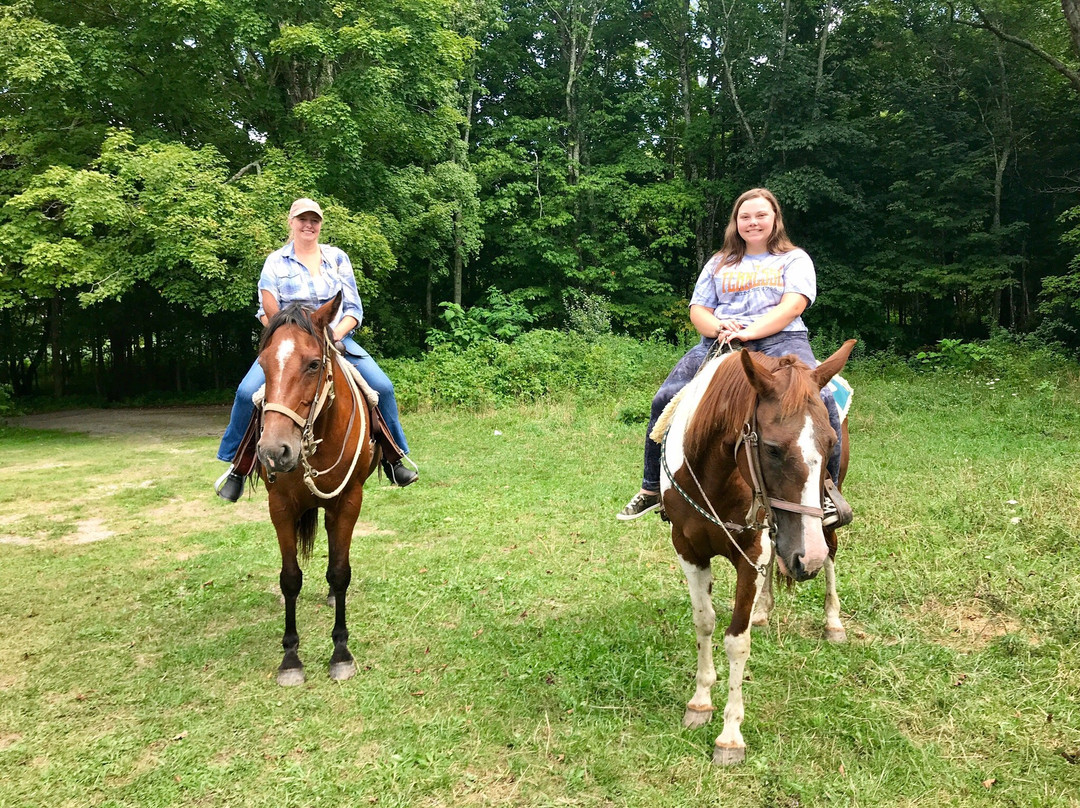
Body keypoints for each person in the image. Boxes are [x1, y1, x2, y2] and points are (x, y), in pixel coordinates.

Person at [616, 187, 851, 527]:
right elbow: (698, 310)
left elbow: (793, 306)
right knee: (665, 397)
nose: (753, 222)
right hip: (721, 341)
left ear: (775, 219)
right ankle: (651, 487)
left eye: (761, 215)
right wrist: (717, 326)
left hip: (781, 340)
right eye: (745, 216)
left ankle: (828, 491)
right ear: (735, 222)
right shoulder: (719, 262)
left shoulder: (794, 259)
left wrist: (750, 331)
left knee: (824, 397)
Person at [214, 197, 418, 501]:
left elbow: (353, 309)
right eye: (302, 220)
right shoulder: (275, 262)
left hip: (334, 338)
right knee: (246, 394)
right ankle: (238, 467)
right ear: (291, 223)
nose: (308, 225)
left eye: (314, 220)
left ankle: (393, 457)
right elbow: (265, 311)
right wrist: (285, 338)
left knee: (383, 388)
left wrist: (333, 335)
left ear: (320, 225)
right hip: (288, 346)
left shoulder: (337, 258)